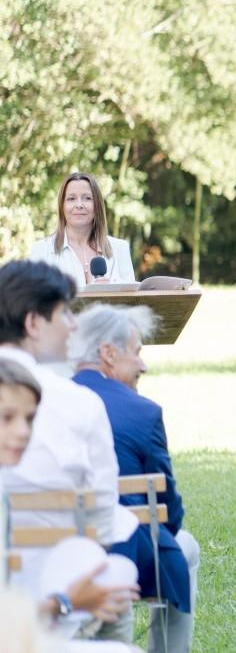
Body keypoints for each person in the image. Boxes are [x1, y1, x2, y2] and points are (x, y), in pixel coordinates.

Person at [0, 264, 138, 635]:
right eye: (65, 313)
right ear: (33, 323)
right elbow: (104, 517)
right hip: (64, 591)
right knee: (117, 588)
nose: (75, 326)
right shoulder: (81, 403)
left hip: (30, 604)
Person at [72, 305, 199, 653]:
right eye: (137, 352)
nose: (143, 365)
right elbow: (169, 515)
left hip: (54, 551)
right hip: (124, 554)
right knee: (186, 547)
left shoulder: (45, 402)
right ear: (108, 353)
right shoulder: (142, 411)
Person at [29, 172, 135, 286]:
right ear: (62, 206)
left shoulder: (120, 249)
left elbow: (132, 301)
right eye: (71, 198)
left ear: (97, 206)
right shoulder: (40, 251)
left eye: (87, 198)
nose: (79, 204)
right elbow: (31, 300)